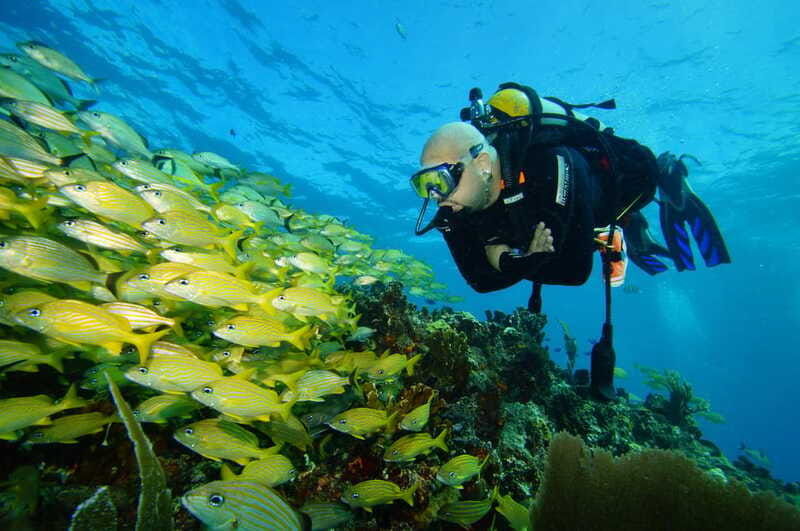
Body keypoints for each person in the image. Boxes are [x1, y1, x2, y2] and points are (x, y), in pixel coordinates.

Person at [410, 83, 730, 400]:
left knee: (636, 187)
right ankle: (620, 229)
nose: (437, 198)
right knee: (570, 233)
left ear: (481, 165)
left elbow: (574, 271)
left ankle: (666, 175)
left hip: (619, 186)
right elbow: (480, 281)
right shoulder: (458, 203)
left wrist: (510, 258)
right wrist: (518, 259)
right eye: (424, 185)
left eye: (441, 180)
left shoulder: (550, 162)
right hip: (560, 221)